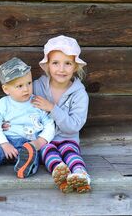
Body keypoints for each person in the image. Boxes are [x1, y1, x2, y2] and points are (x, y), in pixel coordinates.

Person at [0, 57, 55, 178]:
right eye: (19, 86)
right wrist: (4, 144)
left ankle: (25, 165)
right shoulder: (3, 104)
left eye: (29, 83)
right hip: (6, 140)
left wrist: (40, 141)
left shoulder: (37, 103)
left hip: (28, 143)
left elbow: (49, 124)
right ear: (6, 89)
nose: (26, 89)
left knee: (32, 154)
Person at [31, 35, 91, 193]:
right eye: (55, 63)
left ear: (75, 67)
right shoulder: (37, 87)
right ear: (48, 65)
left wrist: (52, 108)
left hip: (68, 139)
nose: (61, 69)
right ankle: (61, 173)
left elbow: (74, 126)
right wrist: (9, 122)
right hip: (44, 140)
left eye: (68, 63)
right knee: (47, 151)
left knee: (71, 152)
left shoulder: (79, 94)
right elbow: (22, 108)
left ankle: (80, 174)